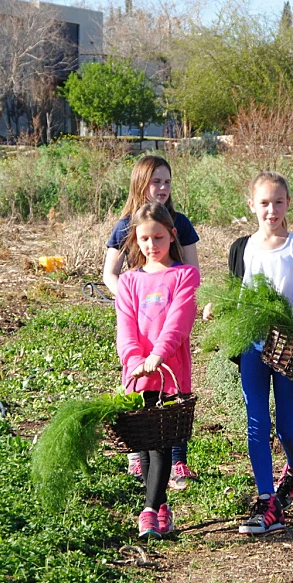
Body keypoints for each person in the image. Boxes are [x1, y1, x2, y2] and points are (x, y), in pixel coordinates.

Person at [228, 171, 293, 535]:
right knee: (256, 422)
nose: (271, 210)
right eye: (264, 203)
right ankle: (267, 500)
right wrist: (217, 310)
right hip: (253, 342)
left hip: (289, 348)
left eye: (278, 202)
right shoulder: (242, 247)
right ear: (251, 204)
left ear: (288, 204)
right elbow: (236, 293)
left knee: (287, 428)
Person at [103, 155, 199, 490]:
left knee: (173, 396)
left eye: (166, 182)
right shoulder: (124, 225)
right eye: (154, 181)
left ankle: (177, 460)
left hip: (170, 321)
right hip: (138, 321)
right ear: (140, 184)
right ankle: (137, 454)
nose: (161, 188)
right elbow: (109, 273)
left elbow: (193, 270)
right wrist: (130, 299)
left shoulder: (181, 223)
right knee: (141, 395)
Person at [115, 203, 200, 539]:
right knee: (147, 441)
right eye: (146, 238)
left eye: (159, 237)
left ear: (172, 235)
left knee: (163, 442)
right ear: (136, 239)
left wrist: (159, 355)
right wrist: (134, 360)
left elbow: (179, 322)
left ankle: (149, 510)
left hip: (170, 372)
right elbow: (126, 328)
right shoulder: (129, 281)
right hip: (139, 373)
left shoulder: (184, 275)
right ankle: (160, 506)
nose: (152, 245)